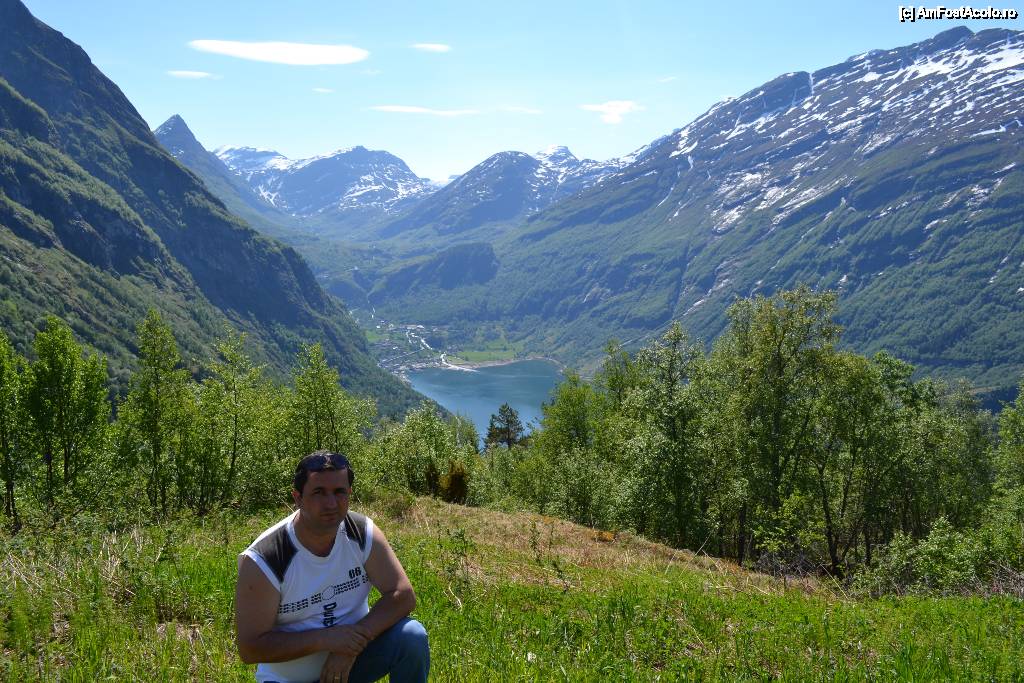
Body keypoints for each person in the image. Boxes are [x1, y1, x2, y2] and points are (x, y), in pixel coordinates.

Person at [235, 450, 429, 683]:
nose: (331, 503)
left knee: (411, 636)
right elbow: (250, 648)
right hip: (287, 680)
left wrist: (350, 646)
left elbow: (403, 595)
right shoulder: (266, 558)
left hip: (352, 666)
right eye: (319, 492)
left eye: (339, 492)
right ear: (297, 498)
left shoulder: (361, 533)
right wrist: (326, 639)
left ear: (350, 494)